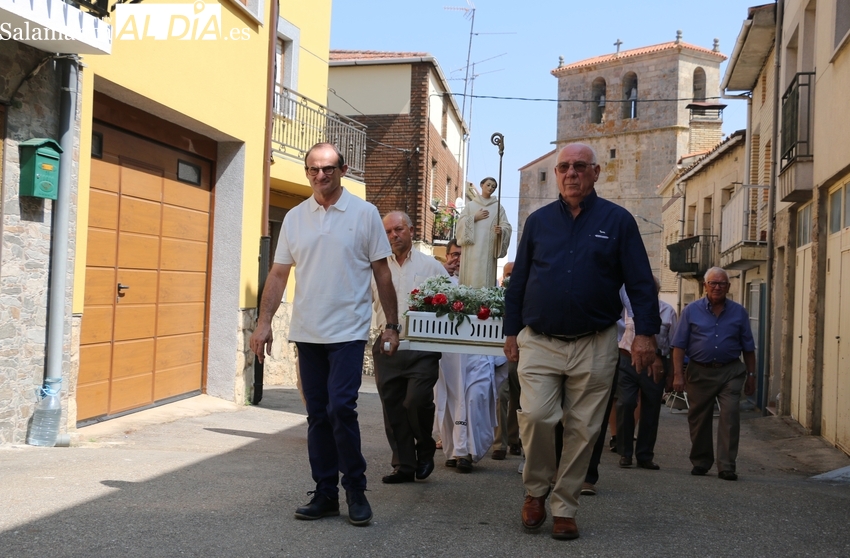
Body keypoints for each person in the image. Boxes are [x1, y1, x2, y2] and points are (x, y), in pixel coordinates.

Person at [504, 143, 660, 541]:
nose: (571, 173)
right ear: (556, 174)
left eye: (579, 167)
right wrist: (510, 332)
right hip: (539, 340)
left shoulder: (618, 221)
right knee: (537, 415)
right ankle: (536, 489)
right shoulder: (538, 222)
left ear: (595, 172)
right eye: (564, 168)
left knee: (583, 429)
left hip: (595, 342)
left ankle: (564, 506)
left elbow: (641, 282)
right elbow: (518, 281)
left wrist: (645, 334)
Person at [249, 142, 400, 527]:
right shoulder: (297, 217)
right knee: (317, 414)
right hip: (308, 332)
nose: (320, 176)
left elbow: (382, 273)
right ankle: (326, 493)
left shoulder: (365, 215)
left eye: (328, 169)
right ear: (306, 172)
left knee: (340, 408)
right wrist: (264, 322)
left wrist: (392, 325)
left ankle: (355, 490)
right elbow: (279, 272)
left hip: (348, 331)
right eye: (313, 169)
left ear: (342, 170)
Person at [371, 211, 448, 484]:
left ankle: (425, 447)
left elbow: (451, 301)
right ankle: (404, 465)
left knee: (416, 400)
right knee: (392, 409)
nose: (393, 235)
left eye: (399, 229)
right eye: (388, 232)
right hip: (386, 345)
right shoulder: (376, 267)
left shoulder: (432, 267)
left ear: (411, 230)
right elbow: (361, 302)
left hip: (423, 348)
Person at [672, 267, 756, 481]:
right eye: (713, 283)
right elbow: (679, 345)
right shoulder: (691, 311)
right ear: (705, 286)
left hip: (730, 372)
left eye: (722, 283)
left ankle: (726, 466)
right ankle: (701, 462)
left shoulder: (739, 312)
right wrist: (677, 375)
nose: (717, 287)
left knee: (730, 416)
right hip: (699, 372)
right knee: (699, 419)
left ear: (728, 287)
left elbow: (748, 347)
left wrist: (752, 376)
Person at [615, 278, 678, 470]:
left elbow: (674, 344)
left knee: (651, 408)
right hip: (627, 360)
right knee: (625, 403)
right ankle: (624, 452)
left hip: (655, 363)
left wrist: (672, 374)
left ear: (657, 291)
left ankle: (644, 455)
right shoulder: (626, 308)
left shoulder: (668, 311)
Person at [456, 177, 512, 288]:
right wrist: (474, 218)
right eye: (488, 185)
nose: (491, 188)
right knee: (470, 280)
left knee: (485, 282)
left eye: (493, 187)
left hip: (487, 251)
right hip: (471, 250)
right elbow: (460, 224)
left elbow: (506, 226)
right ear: (482, 185)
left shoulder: (498, 208)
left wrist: (501, 231)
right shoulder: (470, 206)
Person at [491, 262, 522, 460]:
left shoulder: (523, 295)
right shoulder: (495, 298)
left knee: (518, 400)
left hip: (520, 353)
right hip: (500, 355)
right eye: (507, 274)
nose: (510, 278)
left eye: (514, 275)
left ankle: (514, 439)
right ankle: (499, 445)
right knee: (502, 396)